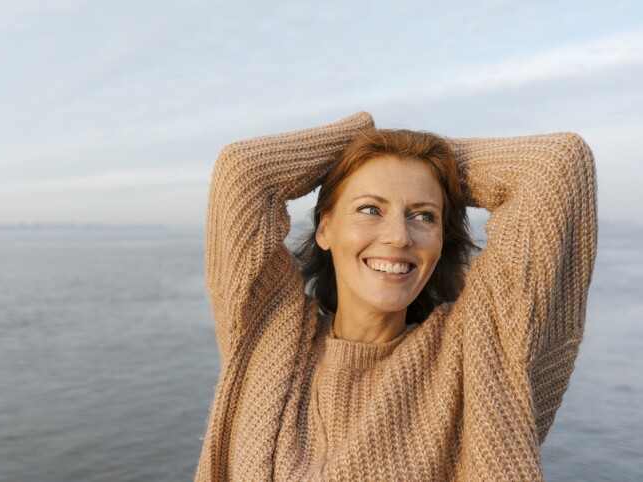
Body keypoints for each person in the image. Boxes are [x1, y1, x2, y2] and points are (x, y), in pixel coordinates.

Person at [194, 112, 597, 481]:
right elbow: (243, 172)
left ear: (441, 242)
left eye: (424, 216)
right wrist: (364, 134)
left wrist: (425, 152)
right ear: (326, 229)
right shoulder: (270, 340)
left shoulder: (481, 350)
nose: (399, 237)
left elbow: (557, 164)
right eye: (370, 209)